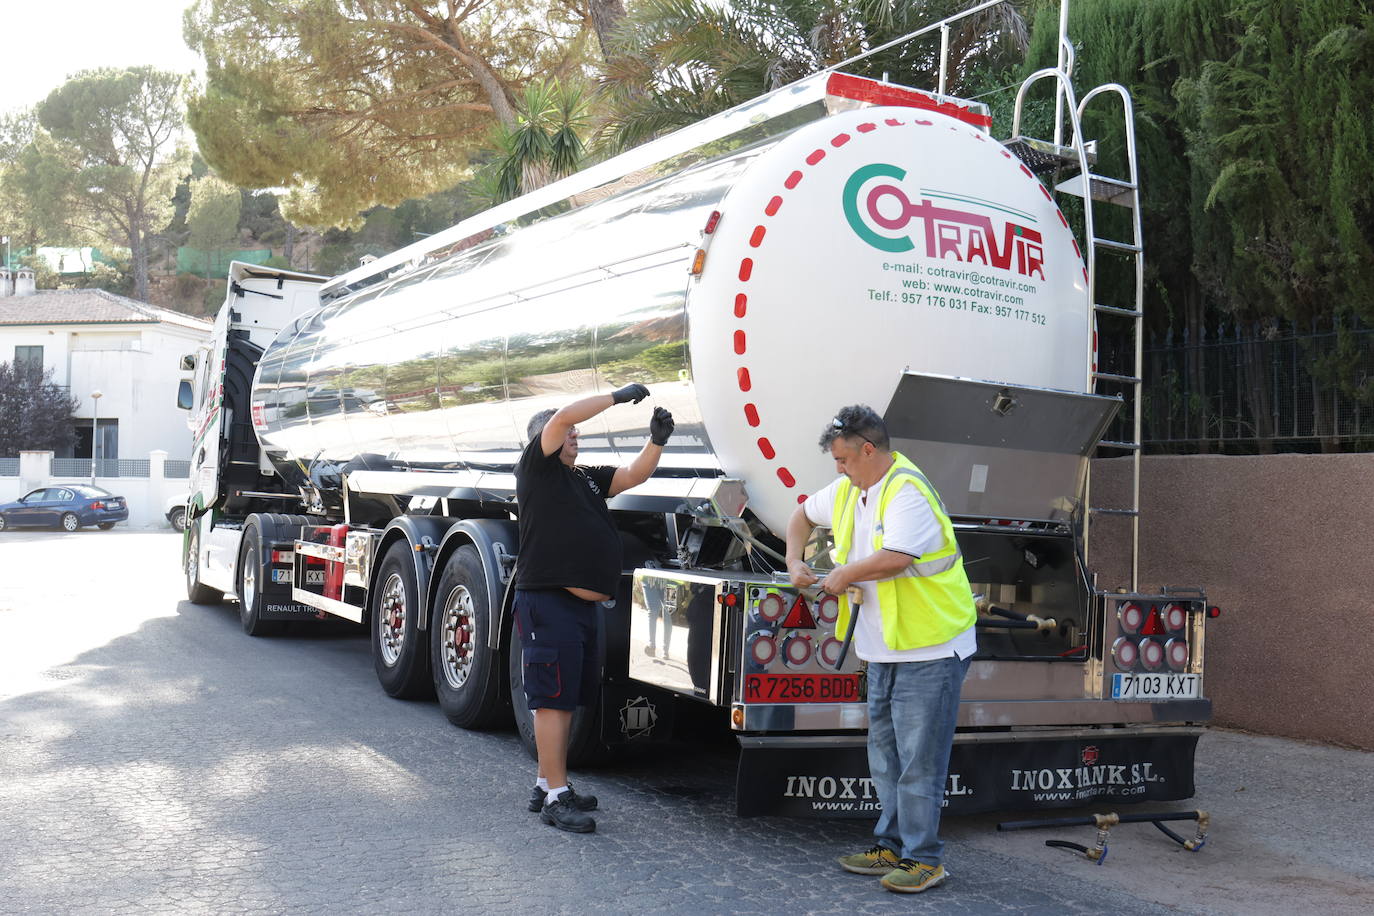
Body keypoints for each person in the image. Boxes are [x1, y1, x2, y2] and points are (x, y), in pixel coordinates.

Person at [785, 405, 976, 893]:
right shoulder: (854, 488)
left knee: (918, 763)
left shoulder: (907, 490)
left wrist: (841, 573)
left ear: (869, 450)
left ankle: (925, 859)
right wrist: (794, 561)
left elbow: (894, 560)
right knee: (887, 757)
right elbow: (801, 517)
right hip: (887, 649)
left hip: (931, 648)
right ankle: (891, 848)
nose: (839, 470)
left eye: (845, 460)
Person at [514, 383, 674, 833]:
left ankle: (547, 782)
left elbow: (632, 476)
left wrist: (656, 441)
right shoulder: (536, 470)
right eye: (566, 434)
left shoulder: (583, 477)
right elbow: (564, 417)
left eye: (576, 436)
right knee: (552, 701)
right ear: (542, 440)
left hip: (580, 609)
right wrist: (618, 398)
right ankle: (554, 798)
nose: (574, 438)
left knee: (567, 700)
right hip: (549, 601)